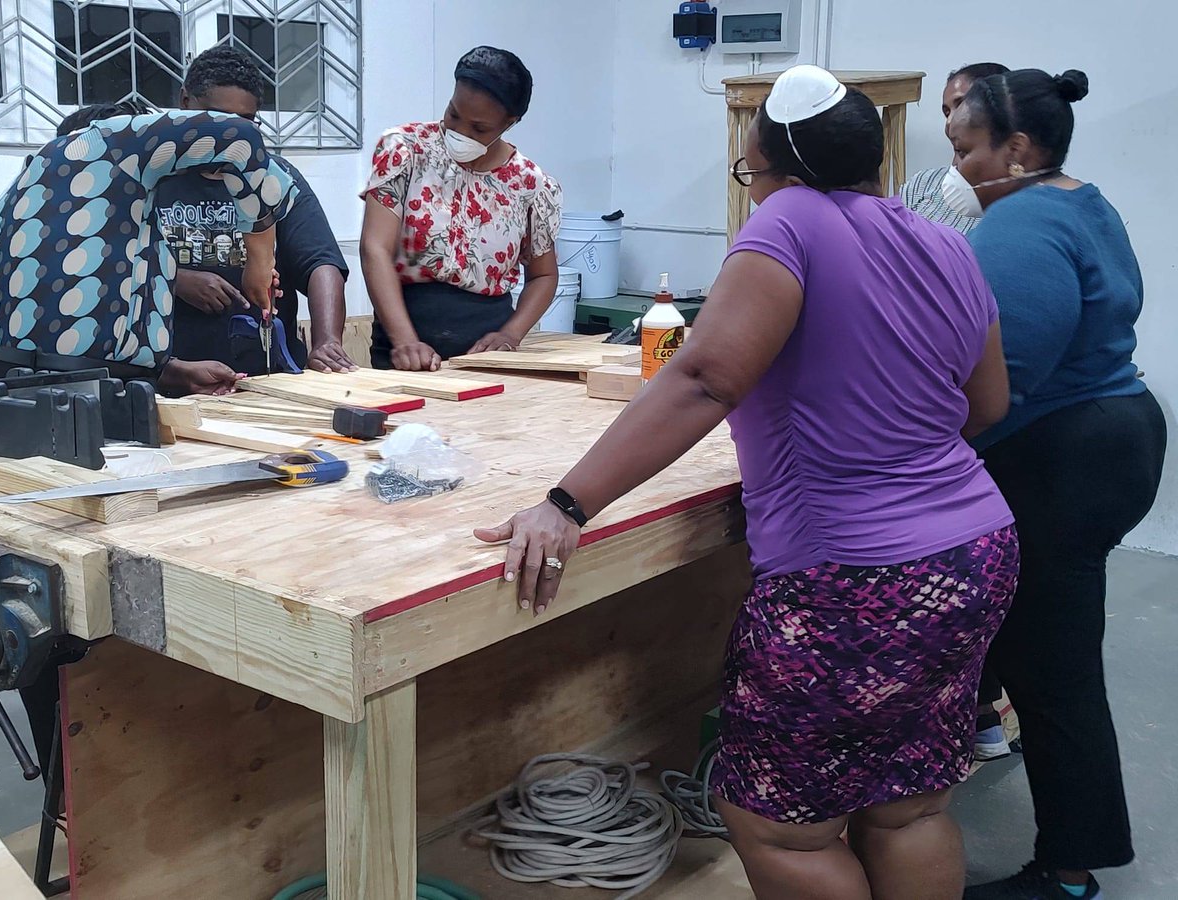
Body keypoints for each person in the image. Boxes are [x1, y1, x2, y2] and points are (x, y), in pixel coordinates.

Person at [475, 66, 1019, 900]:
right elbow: (987, 403)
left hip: (852, 577)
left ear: (777, 167)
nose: (753, 191)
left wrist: (565, 502)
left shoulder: (788, 221)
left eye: (751, 173)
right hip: (972, 552)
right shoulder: (941, 239)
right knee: (905, 810)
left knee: (781, 828)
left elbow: (704, 380)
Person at [948, 70, 1166, 900]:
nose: (960, 168)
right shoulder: (1084, 201)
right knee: (1017, 619)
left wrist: (913, 445)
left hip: (1066, 453)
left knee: (1057, 666)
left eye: (966, 149)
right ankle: (977, 726)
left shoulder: (1023, 223)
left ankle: (1070, 871)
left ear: (1020, 148)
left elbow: (999, 381)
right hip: (1116, 429)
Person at [0, 107, 298, 396]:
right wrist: (260, 259)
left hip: (15, 390)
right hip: (76, 400)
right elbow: (239, 137)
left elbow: (71, 334)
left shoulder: (22, 199)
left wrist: (167, 371)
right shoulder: (112, 147)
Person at [903, 61, 1015, 763]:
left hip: (965, 408)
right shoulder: (922, 188)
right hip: (918, 392)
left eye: (963, 112)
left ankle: (977, 714)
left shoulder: (1014, 210)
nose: (949, 124)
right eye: (944, 110)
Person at [359, 46, 562, 370]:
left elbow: (544, 275)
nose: (460, 132)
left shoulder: (530, 184)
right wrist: (405, 341)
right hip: (404, 350)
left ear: (510, 123)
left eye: (479, 128)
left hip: (486, 360)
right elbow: (375, 248)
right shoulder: (405, 150)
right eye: (453, 114)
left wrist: (510, 334)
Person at [156, 46, 355, 375]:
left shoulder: (274, 178)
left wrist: (327, 342)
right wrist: (174, 280)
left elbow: (321, 263)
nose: (230, 136)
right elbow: (112, 266)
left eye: (245, 123)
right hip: (174, 380)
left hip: (266, 379)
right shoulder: (148, 178)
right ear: (185, 101)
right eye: (217, 119)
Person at [901, 63, 1009, 235]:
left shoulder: (1017, 201)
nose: (950, 121)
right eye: (946, 112)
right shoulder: (922, 184)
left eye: (961, 105)